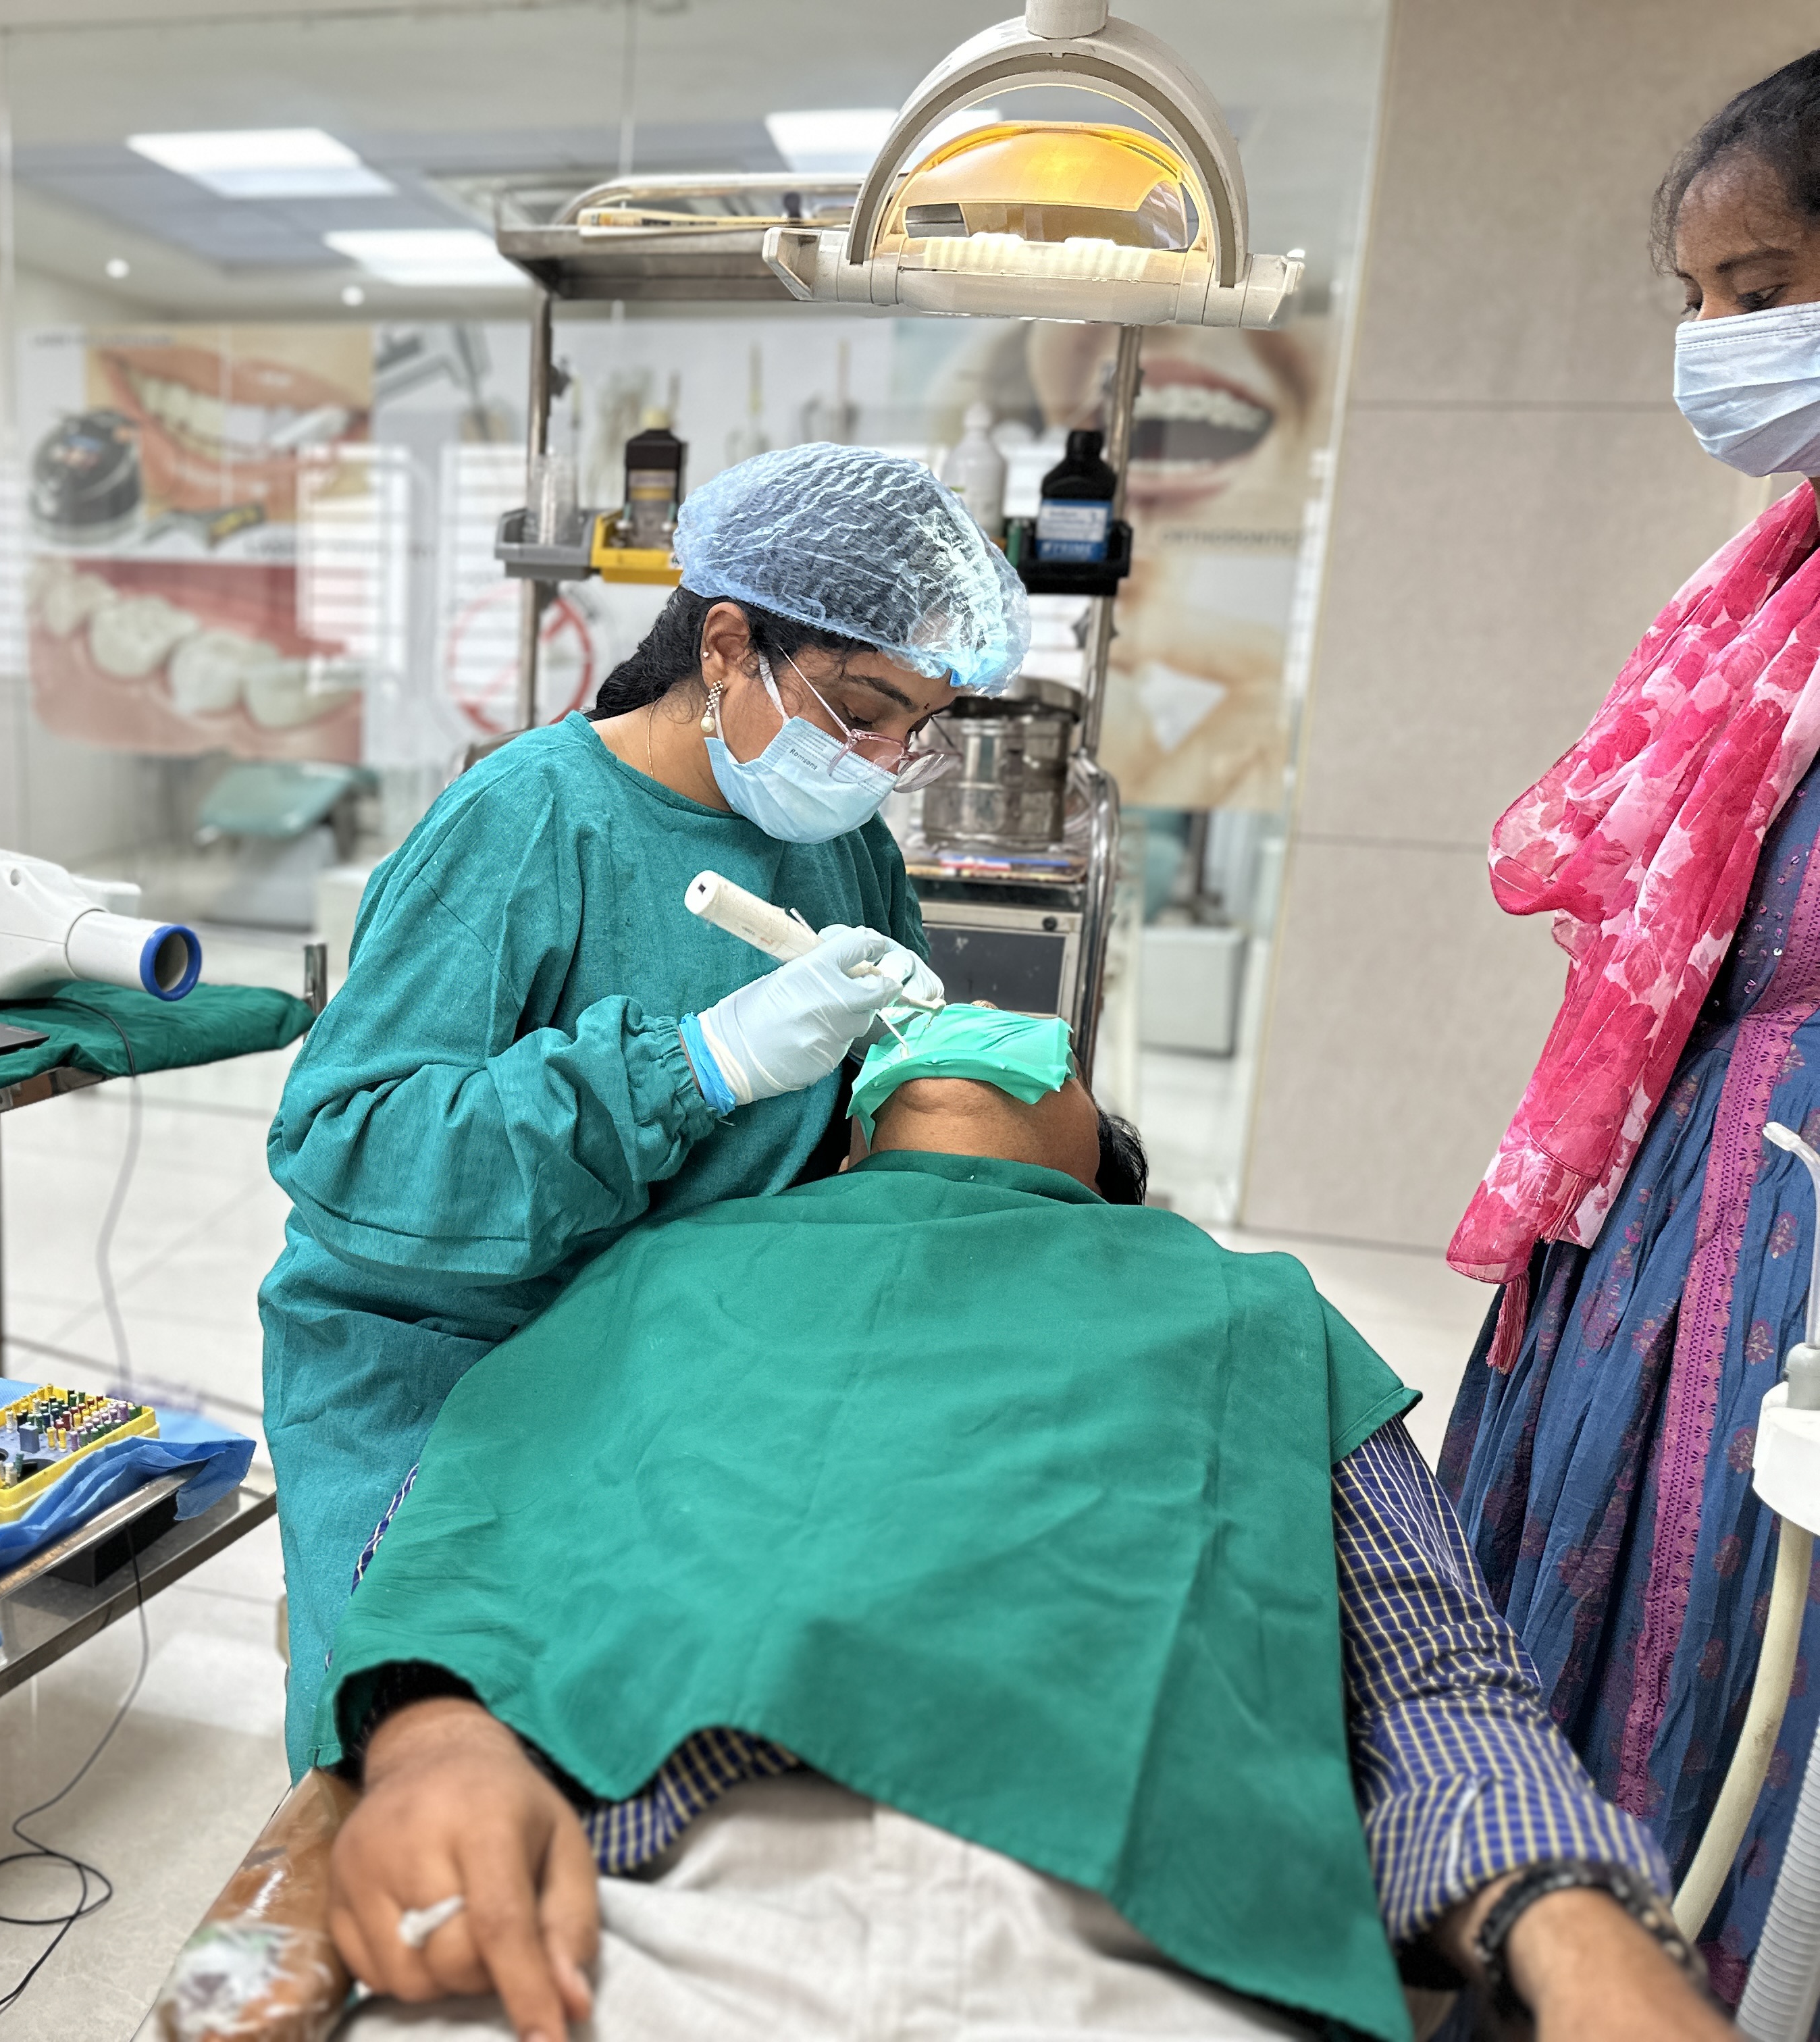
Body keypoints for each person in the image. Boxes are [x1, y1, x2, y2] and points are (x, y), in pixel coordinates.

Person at [311, 1051, 1722, 2042]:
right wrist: (441, 1749)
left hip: (1152, 1960)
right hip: (629, 1925)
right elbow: (451, 1529)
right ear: (850, 1135)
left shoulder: (1254, 1309)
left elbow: (1431, 1684)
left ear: (1105, 1170)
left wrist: (1589, 1940)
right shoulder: (662, 1263)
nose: (980, 1030)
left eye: (1055, 1051)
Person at [258, 443, 1029, 1767]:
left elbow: (866, 1126)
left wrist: (912, 1077)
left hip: (688, 1351)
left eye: (919, 727)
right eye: (863, 709)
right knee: (437, 1747)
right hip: (452, 1364)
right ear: (725, 646)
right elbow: (349, 1148)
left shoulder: (840, 842)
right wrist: (696, 1064)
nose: (885, 758)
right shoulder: (523, 822)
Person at [1439, 51, 1820, 1996]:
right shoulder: (1772, 581)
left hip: (1783, 1228)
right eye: (1701, 300)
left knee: (1744, 1688)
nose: (1720, 343)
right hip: (1676, 1185)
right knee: (1583, 1646)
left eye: (1764, 290)